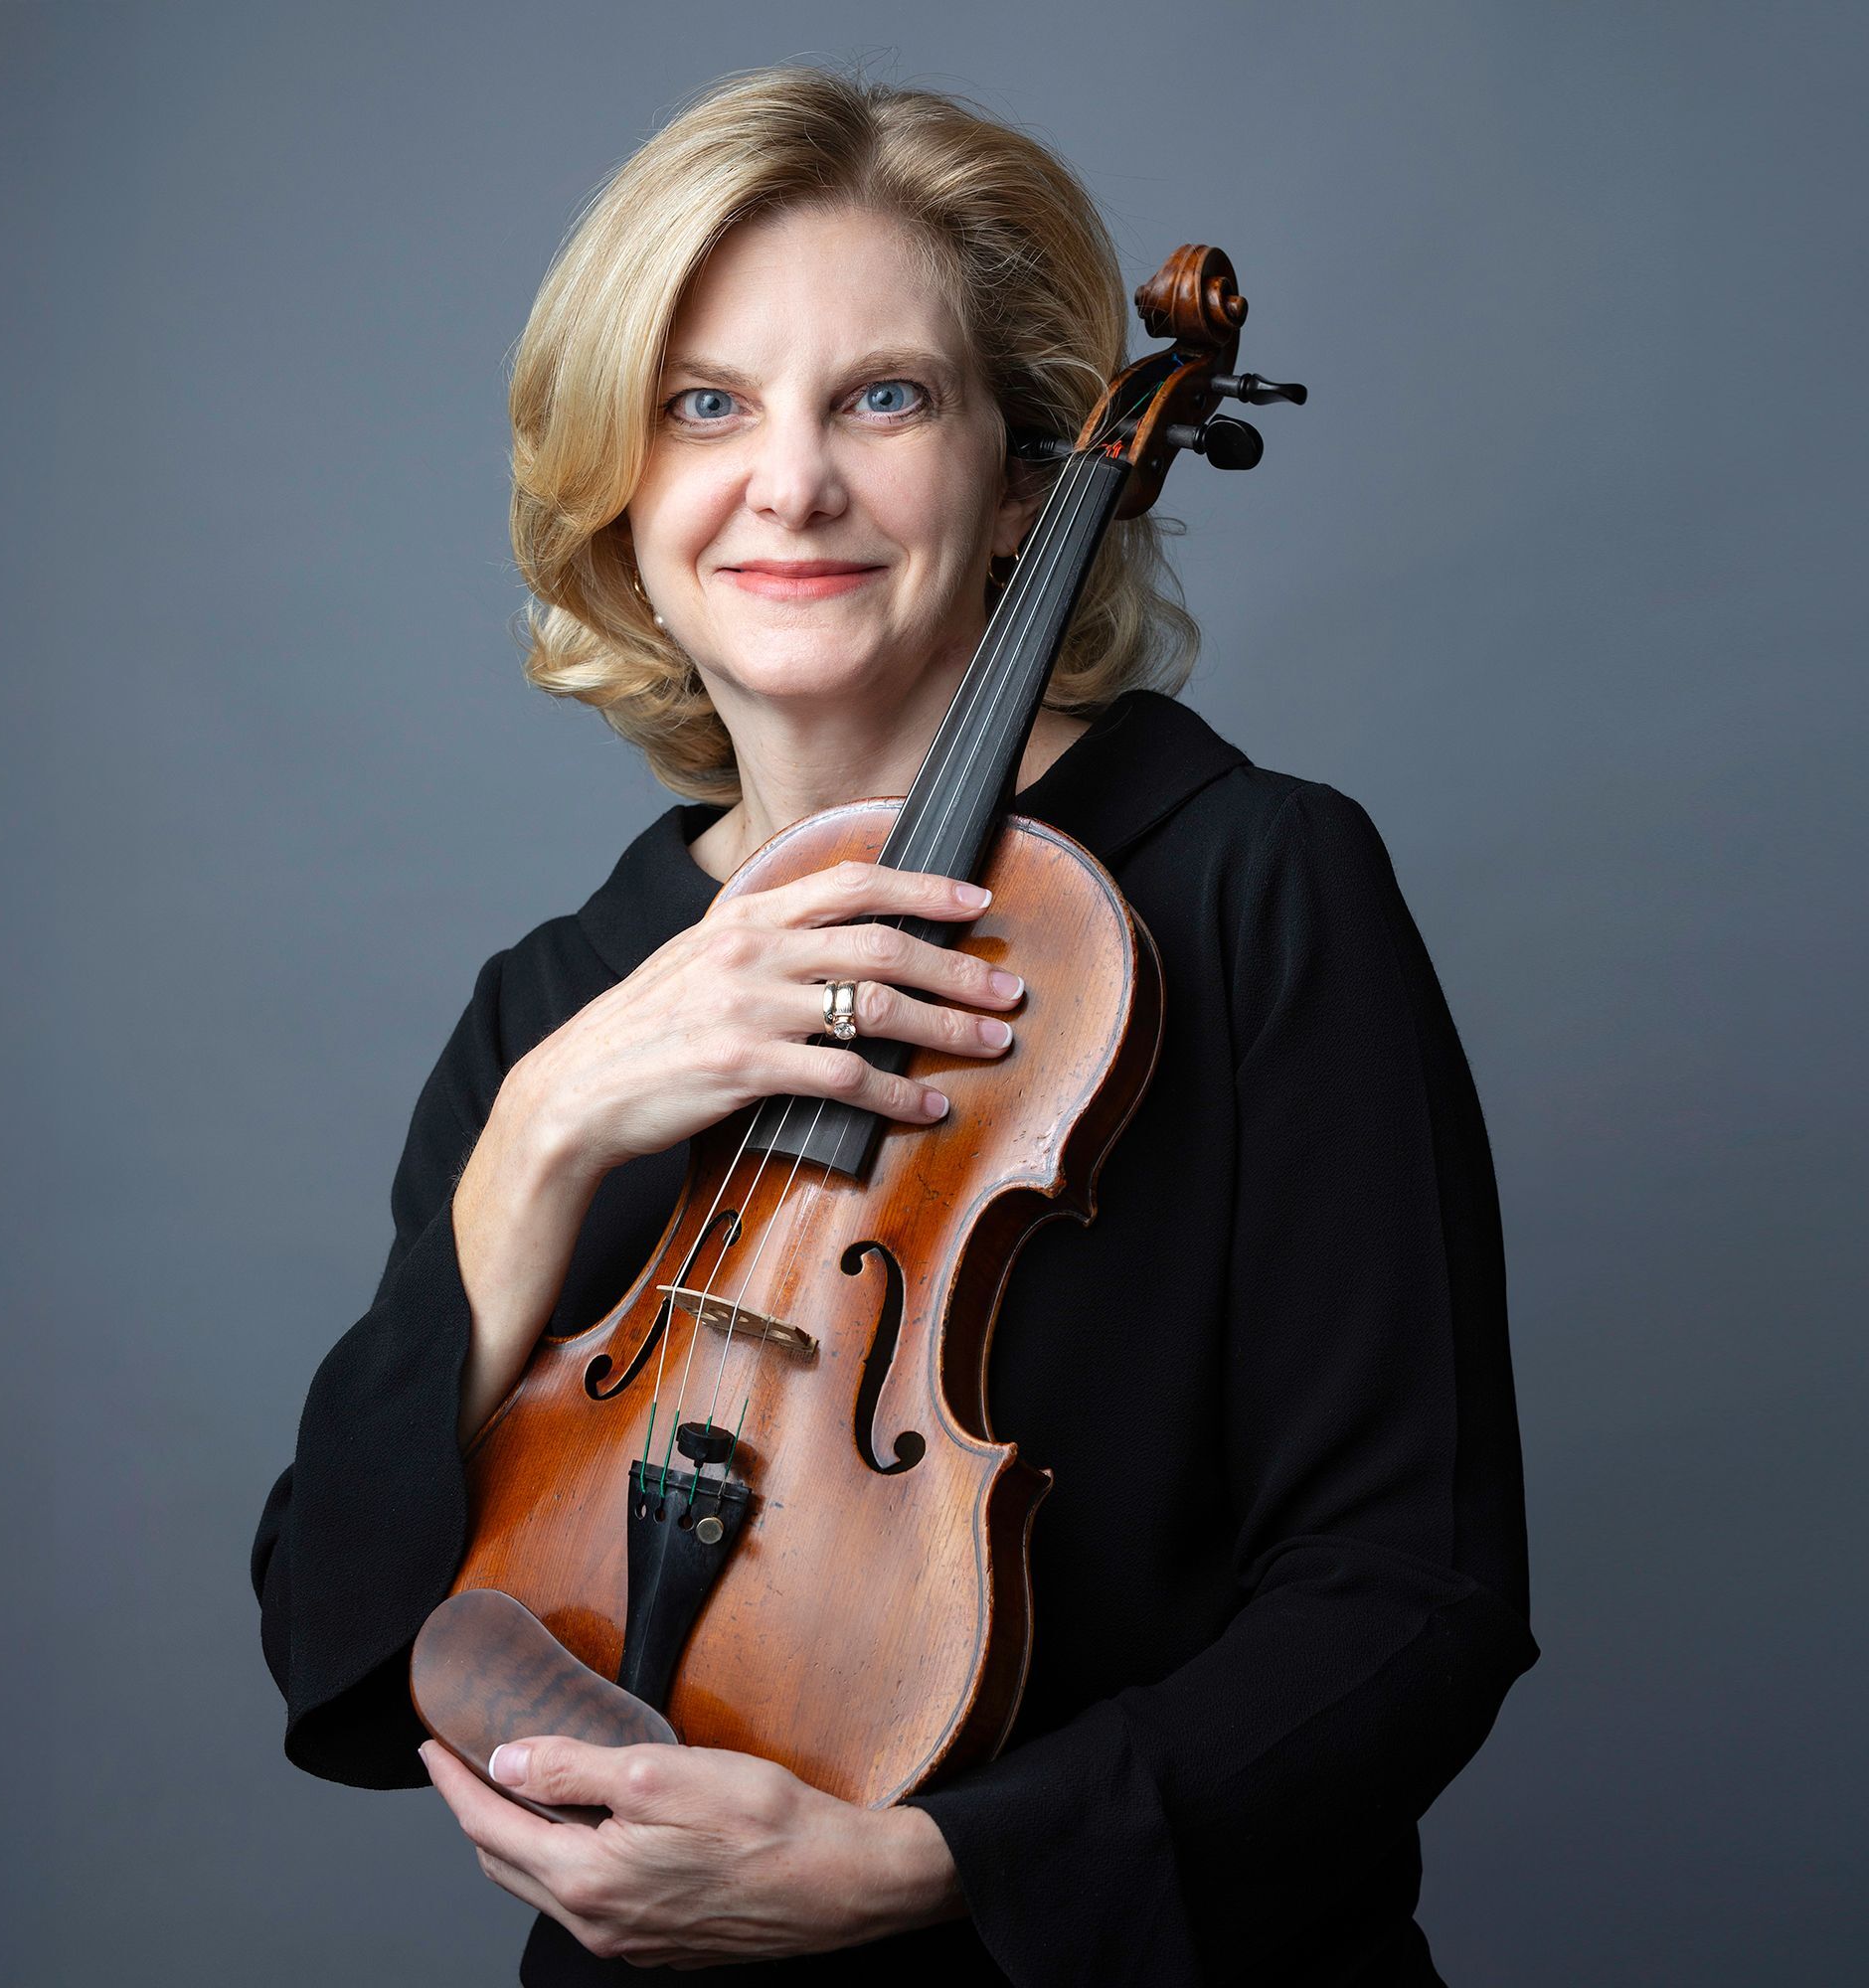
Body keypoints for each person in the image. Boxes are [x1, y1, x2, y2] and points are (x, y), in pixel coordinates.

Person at [250, 65, 1539, 1985]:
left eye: (883, 397)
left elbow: (1409, 1598)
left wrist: (926, 1871)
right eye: (705, 405)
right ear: (622, 485)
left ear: (1024, 474)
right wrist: (537, 1138)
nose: (790, 484)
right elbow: (336, 1635)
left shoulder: (1254, 886)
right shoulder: (562, 995)